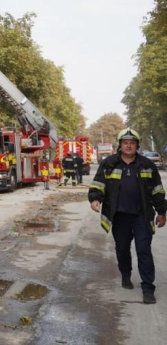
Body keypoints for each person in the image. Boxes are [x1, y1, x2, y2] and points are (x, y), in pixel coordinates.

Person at [88, 127, 167, 304]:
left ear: (137, 145)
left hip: (142, 216)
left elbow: (157, 191)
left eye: (132, 143)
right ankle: (126, 274)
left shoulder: (147, 165)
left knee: (144, 251)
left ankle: (148, 288)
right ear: (120, 145)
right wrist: (95, 199)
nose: (129, 146)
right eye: (125, 143)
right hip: (119, 216)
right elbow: (99, 183)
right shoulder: (109, 163)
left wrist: (162, 212)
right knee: (122, 250)